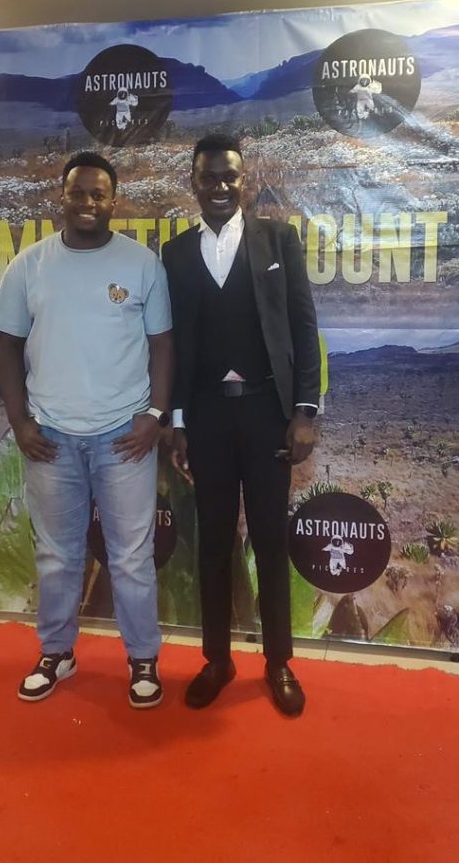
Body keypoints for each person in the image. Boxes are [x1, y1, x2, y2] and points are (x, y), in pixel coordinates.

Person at [0, 150, 173, 708]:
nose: (87, 202)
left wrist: (155, 416)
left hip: (124, 438)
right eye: (77, 192)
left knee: (131, 557)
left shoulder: (142, 264)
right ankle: (57, 653)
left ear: (114, 201)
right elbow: (8, 346)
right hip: (51, 439)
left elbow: (163, 345)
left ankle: (143, 660)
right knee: (57, 555)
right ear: (61, 197)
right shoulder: (30, 265)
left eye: (98, 194)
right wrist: (19, 422)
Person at [162, 134, 320, 716]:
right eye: (209, 177)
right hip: (207, 417)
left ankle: (278, 662)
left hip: (266, 415)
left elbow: (303, 327)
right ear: (194, 182)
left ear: (244, 179)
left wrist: (304, 412)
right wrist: (178, 421)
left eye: (229, 176)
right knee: (213, 544)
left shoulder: (279, 240)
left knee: (271, 540)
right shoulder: (176, 253)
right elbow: (177, 343)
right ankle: (217, 661)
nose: (220, 187)